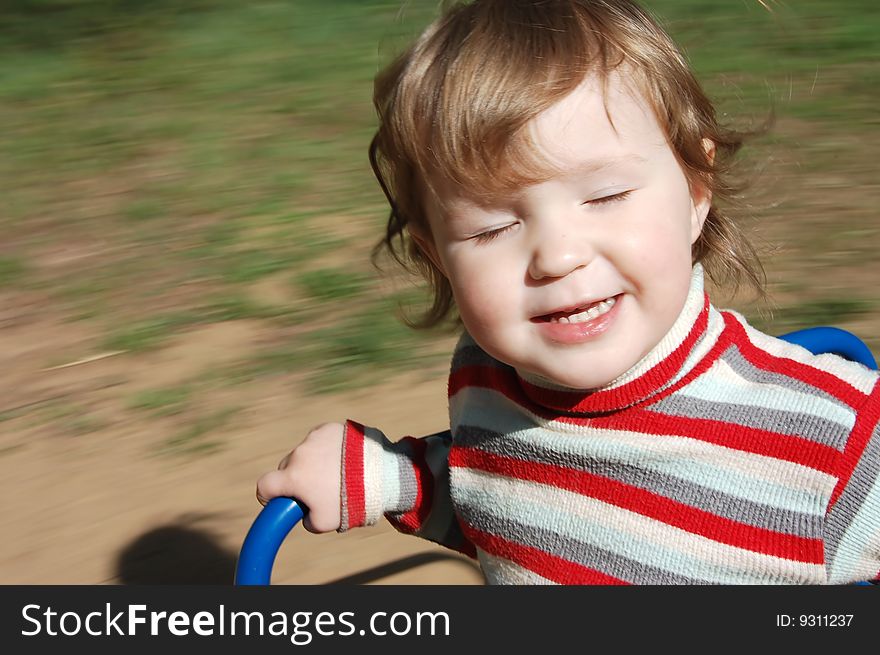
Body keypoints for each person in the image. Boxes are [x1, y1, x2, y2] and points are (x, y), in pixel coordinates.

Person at [257, 0, 880, 584]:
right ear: (436, 257)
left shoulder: (838, 443)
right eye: (492, 227)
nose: (558, 256)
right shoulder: (489, 382)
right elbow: (517, 505)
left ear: (695, 190)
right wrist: (394, 477)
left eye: (606, 196)